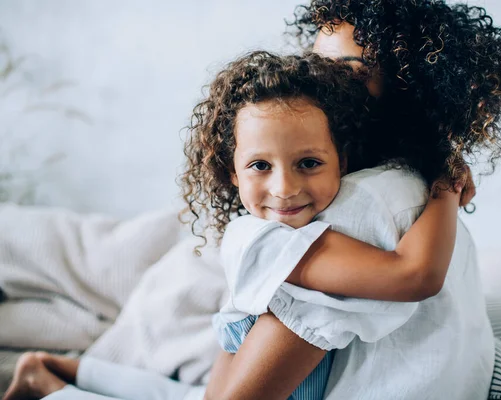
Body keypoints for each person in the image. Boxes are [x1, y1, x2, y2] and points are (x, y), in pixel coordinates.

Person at [2, 51, 472, 400]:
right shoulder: (262, 239)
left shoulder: (313, 226)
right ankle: (50, 385)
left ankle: (60, 368)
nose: (285, 188)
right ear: (231, 172)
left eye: (308, 162)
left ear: (341, 162)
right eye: (260, 166)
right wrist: (445, 184)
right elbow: (414, 276)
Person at [203, 1, 501, 399]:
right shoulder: (415, 182)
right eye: (316, 64)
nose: (319, 83)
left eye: (347, 72)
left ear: (409, 90)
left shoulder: (357, 205)